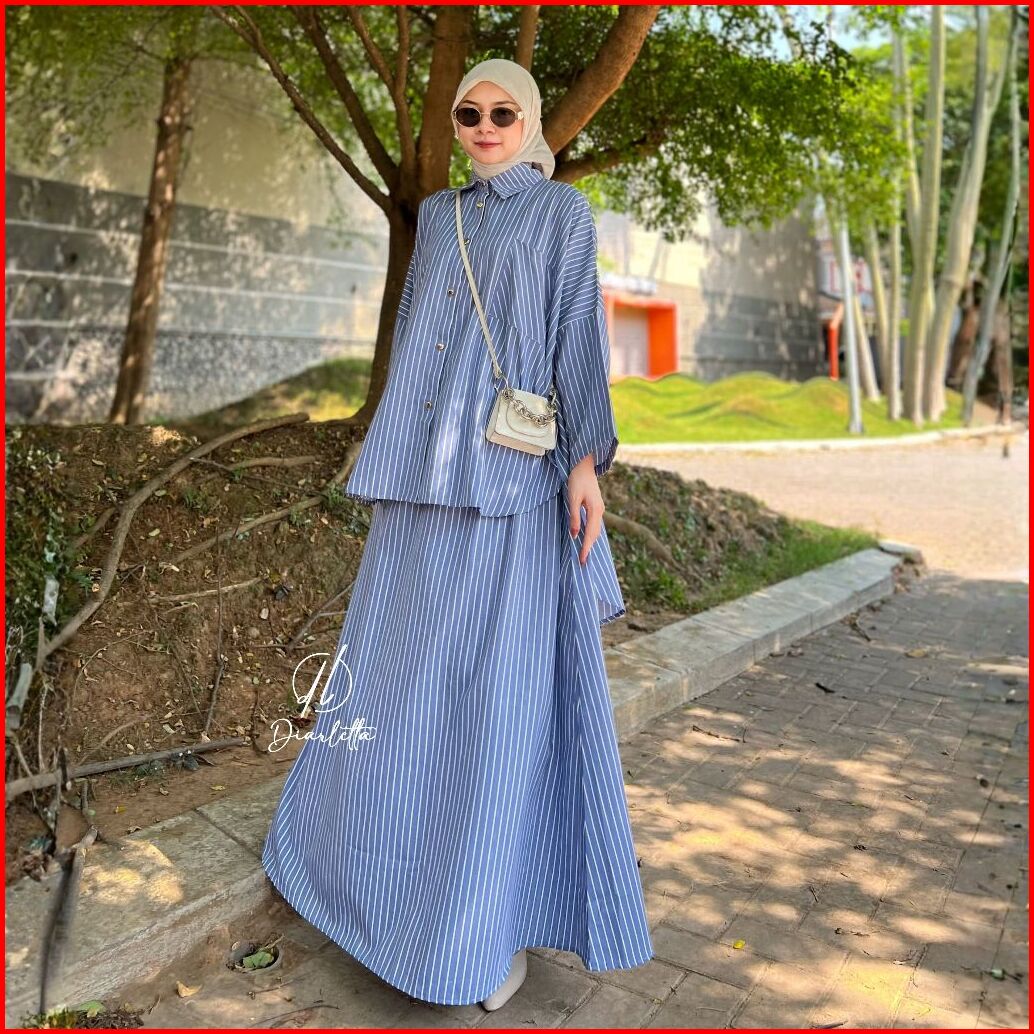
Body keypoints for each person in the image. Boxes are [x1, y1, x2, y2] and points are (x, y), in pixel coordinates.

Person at [261, 57, 654, 1011]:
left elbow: (575, 339)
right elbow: (416, 335)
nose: (483, 126)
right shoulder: (439, 217)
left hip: (508, 487)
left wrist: (585, 465)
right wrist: (401, 441)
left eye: (502, 113)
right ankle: (367, 889)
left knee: (491, 705)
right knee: (396, 693)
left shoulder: (561, 215)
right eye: (468, 111)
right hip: (418, 484)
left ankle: (479, 929)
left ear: (531, 122)